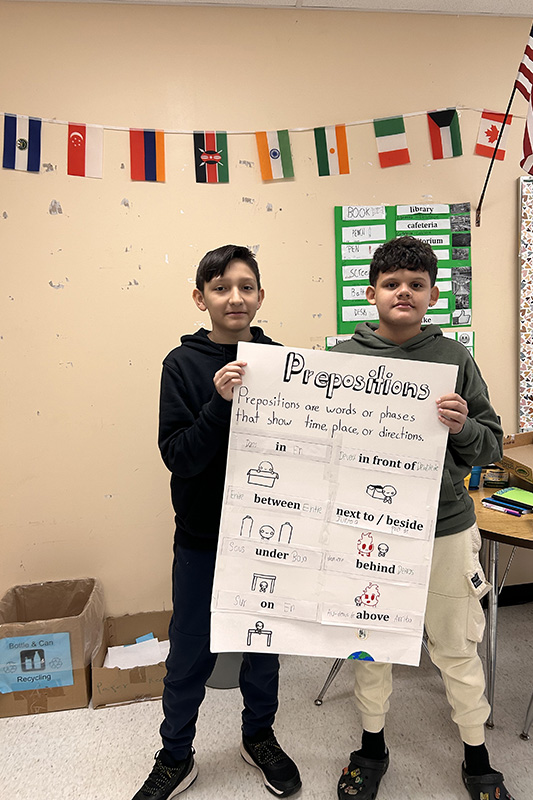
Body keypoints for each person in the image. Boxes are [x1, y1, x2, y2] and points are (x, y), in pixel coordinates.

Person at [332, 236, 514, 800]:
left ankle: (476, 754)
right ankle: (372, 745)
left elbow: (492, 447)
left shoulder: (454, 358)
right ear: (371, 293)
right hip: (369, 527)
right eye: (392, 283)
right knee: (371, 641)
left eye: (415, 284)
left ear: (432, 295)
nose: (403, 292)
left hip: (444, 524)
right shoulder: (341, 358)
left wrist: (463, 427)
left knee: (456, 643)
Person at [132, 245, 301, 800]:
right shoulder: (180, 366)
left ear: (260, 296)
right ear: (200, 296)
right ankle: (176, 754)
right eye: (222, 286)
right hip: (204, 538)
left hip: (266, 537)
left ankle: (259, 736)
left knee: (262, 649)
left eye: (246, 286)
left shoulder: (282, 362)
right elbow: (179, 455)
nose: (235, 297)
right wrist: (222, 402)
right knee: (189, 653)